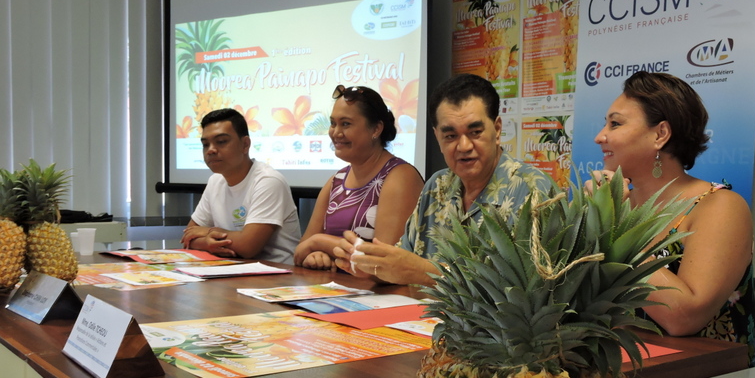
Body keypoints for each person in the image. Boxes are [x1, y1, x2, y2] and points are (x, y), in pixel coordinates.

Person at [591, 71, 755, 365]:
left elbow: (684, 318)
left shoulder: (720, 206)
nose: (599, 136)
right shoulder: (618, 204)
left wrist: (613, 230)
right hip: (619, 374)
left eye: (615, 124)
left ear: (660, 134)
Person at [333, 73, 551, 286]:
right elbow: (402, 264)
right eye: (450, 136)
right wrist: (370, 266)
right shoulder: (436, 186)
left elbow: (530, 289)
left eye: (475, 132)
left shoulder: (534, 190)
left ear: (497, 129)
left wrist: (425, 273)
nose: (464, 146)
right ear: (437, 136)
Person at [293, 85, 424, 270]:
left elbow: (384, 263)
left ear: (376, 129)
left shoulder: (400, 177)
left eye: (345, 123)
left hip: (383, 297)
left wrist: (319, 243)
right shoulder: (336, 181)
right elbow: (300, 253)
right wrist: (316, 255)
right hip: (334, 291)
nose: (336, 132)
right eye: (333, 123)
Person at [181, 108, 301, 263]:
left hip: (276, 275)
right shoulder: (215, 181)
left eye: (221, 142)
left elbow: (248, 247)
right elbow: (188, 236)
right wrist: (207, 243)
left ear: (245, 145)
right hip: (233, 269)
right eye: (205, 144)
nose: (210, 150)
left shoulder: (268, 181)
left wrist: (208, 232)